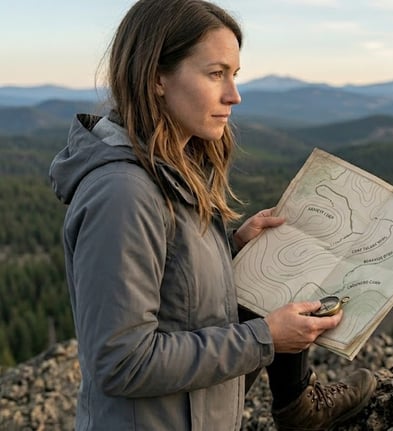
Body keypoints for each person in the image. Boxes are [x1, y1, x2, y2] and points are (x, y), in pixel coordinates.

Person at [48, 0, 376, 429]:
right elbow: (122, 361)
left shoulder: (171, 169)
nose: (233, 95)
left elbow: (172, 284)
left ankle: (297, 402)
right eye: (215, 73)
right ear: (157, 77)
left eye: (234, 75)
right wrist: (265, 339)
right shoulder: (123, 194)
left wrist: (232, 246)